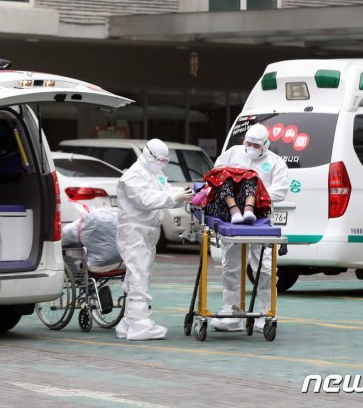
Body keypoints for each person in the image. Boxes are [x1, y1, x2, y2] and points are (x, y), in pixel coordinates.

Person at [209, 123, 289, 333]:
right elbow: (216, 175)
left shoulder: (275, 163)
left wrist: (255, 197)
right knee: (231, 265)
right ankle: (232, 311)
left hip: (259, 218)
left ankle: (265, 312)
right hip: (232, 218)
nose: (250, 148)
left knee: (264, 268)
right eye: (248, 143)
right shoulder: (233, 153)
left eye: (255, 145)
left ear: (265, 145)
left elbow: (281, 190)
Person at [114, 138, 193, 340]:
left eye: (165, 161)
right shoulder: (132, 175)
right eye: (160, 160)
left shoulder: (155, 174)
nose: (162, 164)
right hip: (134, 230)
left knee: (140, 274)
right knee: (138, 273)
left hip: (149, 230)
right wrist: (174, 198)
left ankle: (129, 322)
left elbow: (165, 193)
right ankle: (139, 325)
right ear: (148, 155)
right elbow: (145, 200)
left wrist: (183, 194)